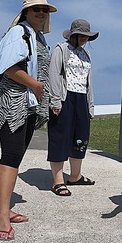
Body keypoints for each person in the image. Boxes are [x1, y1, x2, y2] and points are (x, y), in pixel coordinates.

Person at [0, 0, 56, 241]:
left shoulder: (38, 38)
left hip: (27, 105)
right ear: (26, 12)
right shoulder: (19, 33)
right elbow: (8, 66)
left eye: (44, 10)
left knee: (16, 156)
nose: (40, 13)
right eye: (35, 9)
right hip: (13, 103)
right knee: (11, 156)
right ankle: (2, 218)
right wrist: (36, 86)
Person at [47, 19, 98, 197]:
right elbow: (53, 74)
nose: (84, 38)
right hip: (65, 97)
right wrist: (55, 101)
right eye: (81, 35)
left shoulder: (85, 55)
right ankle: (58, 180)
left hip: (82, 99)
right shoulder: (61, 50)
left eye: (87, 35)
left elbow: (88, 82)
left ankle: (75, 176)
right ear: (73, 34)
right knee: (60, 137)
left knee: (81, 137)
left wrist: (90, 106)